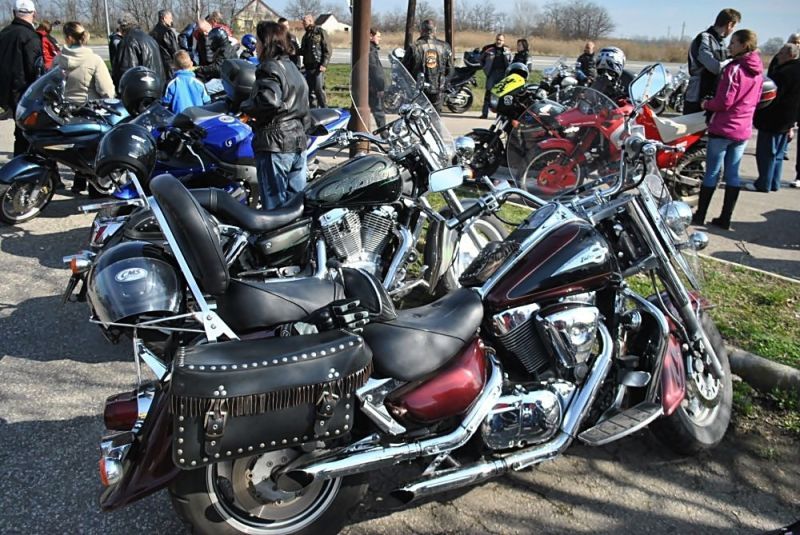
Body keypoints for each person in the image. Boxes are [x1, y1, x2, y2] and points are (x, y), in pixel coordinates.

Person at [691, 29, 763, 231]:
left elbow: (724, 102)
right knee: (733, 173)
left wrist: (706, 104)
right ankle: (725, 218)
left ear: (744, 45)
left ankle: (700, 215)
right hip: (743, 129)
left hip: (724, 128)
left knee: (712, 172)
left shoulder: (734, 69)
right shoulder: (758, 72)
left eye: (734, 43)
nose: (730, 46)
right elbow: (757, 99)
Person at [242, 21, 310, 210]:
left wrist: (246, 105)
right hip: (298, 142)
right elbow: (305, 105)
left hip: (275, 144)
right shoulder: (292, 67)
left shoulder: (268, 67)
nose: (255, 46)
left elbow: (270, 101)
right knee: (296, 207)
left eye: (258, 41)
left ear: (267, 43)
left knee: (274, 211)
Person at [53, 21, 114, 195]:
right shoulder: (94, 60)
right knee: (93, 149)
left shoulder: (58, 60)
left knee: (76, 148)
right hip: (89, 109)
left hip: (65, 111)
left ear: (67, 38)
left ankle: (78, 183)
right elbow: (106, 90)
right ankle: (95, 189)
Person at [747, 43, 800, 193]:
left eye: (781, 53)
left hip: (773, 118)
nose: (778, 56)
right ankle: (774, 182)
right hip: (789, 118)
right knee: (778, 154)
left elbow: (771, 96)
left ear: (790, 55)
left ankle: (763, 183)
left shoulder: (783, 73)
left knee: (766, 153)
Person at [0, 0, 43, 157]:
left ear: (14, 13)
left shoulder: (4, 33)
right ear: (34, 14)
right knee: (29, 133)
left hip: (7, 91)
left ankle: (20, 160)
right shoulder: (30, 36)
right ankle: (27, 164)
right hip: (25, 91)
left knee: (20, 131)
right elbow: (35, 68)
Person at [684, 8, 741, 114]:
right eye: (734, 27)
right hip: (696, 97)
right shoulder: (704, 38)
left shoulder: (721, 42)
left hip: (712, 97)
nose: (733, 30)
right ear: (730, 25)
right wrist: (733, 62)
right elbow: (715, 67)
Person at [404, 19, 453, 113]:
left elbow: (405, 69)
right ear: (435, 30)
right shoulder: (445, 46)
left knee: (417, 117)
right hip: (438, 89)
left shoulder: (414, 46)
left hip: (418, 90)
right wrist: (443, 84)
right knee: (435, 117)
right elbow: (450, 70)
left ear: (421, 30)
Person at [111, 13, 165, 90]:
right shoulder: (149, 38)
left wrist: (121, 88)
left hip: (141, 89)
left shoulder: (128, 42)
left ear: (122, 27)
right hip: (156, 85)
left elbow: (127, 71)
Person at [300, 14, 330, 108]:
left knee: (318, 89)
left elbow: (327, 49)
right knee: (310, 91)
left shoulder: (320, 32)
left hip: (318, 66)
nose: (303, 24)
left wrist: (324, 64)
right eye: (303, 22)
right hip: (308, 66)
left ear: (310, 21)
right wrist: (292, 51)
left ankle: (325, 109)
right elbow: (303, 51)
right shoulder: (306, 36)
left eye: (304, 22)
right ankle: (314, 111)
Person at [479, 33, 512, 119]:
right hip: (492, 73)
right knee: (488, 93)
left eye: (501, 40)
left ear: (503, 41)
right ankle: (484, 113)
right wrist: (485, 68)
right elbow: (481, 59)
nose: (499, 41)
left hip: (503, 74)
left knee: (501, 95)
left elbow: (511, 61)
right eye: (497, 39)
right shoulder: (489, 49)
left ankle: (499, 115)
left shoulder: (507, 50)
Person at [150, 9, 178, 80]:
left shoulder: (152, 33)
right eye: (170, 18)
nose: (171, 20)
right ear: (164, 18)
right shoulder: (167, 32)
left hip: (157, 65)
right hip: (170, 65)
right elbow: (175, 50)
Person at [368, 28, 386, 129]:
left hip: (369, 84)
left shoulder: (371, 49)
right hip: (373, 86)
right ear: (370, 36)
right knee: (378, 110)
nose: (380, 38)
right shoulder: (371, 50)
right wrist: (380, 87)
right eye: (378, 36)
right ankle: (384, 133)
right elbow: (375, 69)